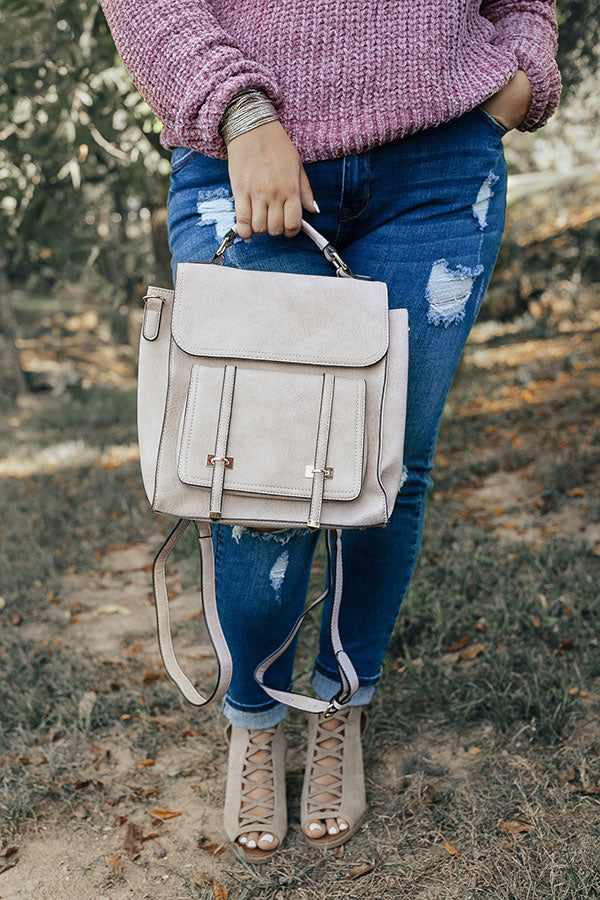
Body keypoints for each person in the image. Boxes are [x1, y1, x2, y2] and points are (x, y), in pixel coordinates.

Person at [100, 0, 562, 864]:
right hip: (245, 162)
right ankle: (258, 716)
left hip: (441, 168)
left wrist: (517, 77)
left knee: (389, 470)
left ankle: (342, 699)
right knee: (250, 479)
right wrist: (240, 111)